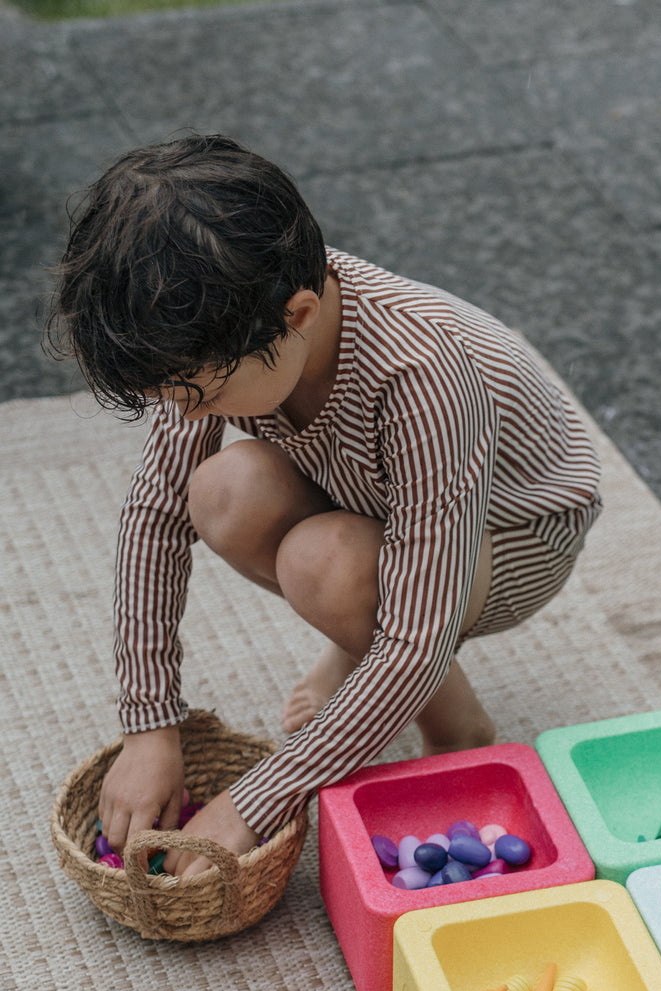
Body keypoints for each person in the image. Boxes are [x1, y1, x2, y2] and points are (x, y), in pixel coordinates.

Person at [47, 134, 601, 878]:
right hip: (374, 491)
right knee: (219, 490)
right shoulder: (237, 315)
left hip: (516, 532)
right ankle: (356, 633)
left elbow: (414, 637)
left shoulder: (421, 373)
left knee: (326, 565)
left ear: (299, 313)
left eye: (201, 395)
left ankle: (458, 723)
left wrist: (254, 802)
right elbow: (156, 514)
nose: (185, 412)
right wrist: (151, 725)